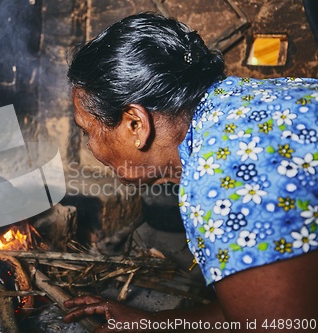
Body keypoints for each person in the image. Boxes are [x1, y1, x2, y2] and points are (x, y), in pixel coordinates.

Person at [63, 12, 318, 333]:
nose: (89, 147)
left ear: (135, 124)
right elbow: (259, 312)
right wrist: (152, 323)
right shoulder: (238, 101)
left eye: (87, 131)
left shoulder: (222, 180)